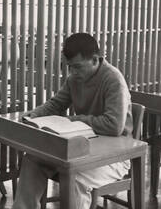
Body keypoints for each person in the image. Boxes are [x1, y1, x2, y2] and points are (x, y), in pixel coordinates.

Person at [12, 33, 133, 209]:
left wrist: (74, 120)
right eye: (70, 67)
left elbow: (114, 126)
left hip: (114, 156)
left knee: (74, 177)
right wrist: (31, 116)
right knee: (32, 160)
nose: (73, 73)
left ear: (95, 59)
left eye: (77, 67)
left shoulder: (114, 80)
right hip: (81, 148)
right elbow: (56, 105)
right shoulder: (75, 78)